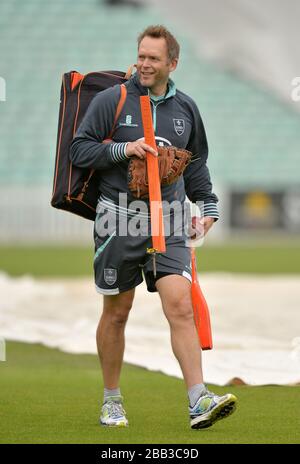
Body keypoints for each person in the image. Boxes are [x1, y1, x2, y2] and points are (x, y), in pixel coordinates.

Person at [70, 25, 237, 429]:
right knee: (118, 312)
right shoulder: (114, 100)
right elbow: (80, 148)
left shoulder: (186, 108)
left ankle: (198, 400)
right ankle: (112, 399)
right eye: (141, 55)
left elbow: (196, 161)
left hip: (172, 219)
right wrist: (124, 149)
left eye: (153, 58)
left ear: (172, 64)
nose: (144, 63)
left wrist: (208, 207)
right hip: (118, 220)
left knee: (179, 305)